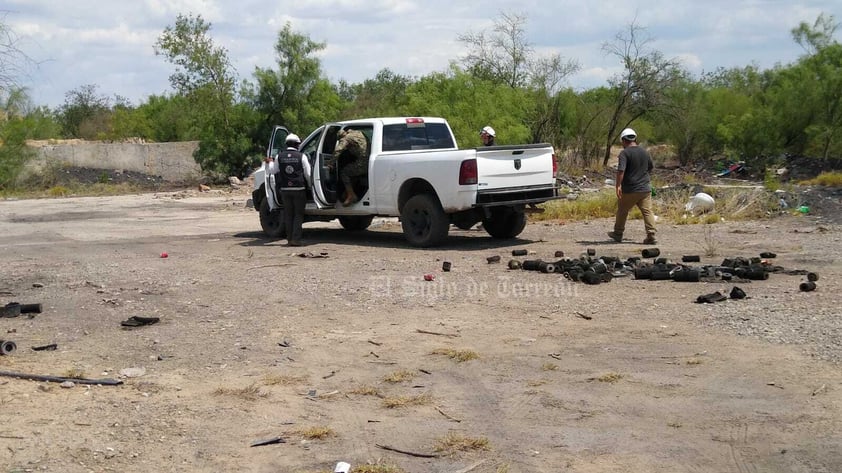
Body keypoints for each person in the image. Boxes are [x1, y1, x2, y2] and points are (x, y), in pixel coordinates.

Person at [607, 128, 657, 244]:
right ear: (635, 139)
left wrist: (618, 186)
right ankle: (651, 234)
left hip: (630, 189)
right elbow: (650, 168)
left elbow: (621, 171)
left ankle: (618, 234)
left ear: (624, 140)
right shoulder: (645, 152)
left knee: (622, 211)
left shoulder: (624, 153)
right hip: (645, 188)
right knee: (647, 211)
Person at [277, 133, 311, 246]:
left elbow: (272, 171)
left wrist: (268, 163)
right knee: (298, 214)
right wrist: (310, 186)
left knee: (288, 214)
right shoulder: (302, 156)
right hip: (299, 189)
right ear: (297, 144)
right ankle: (296, 239)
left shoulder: (279, 156)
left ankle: (289, 238)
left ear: (286, 144)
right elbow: (308, 173)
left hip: (285, 190)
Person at [331, 128, 369, 206]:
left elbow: (338, 150)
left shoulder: (346, 138)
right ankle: (348, 192)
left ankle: (351, 195)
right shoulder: (358, 133)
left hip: (363, 163)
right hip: (369, 161)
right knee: (352, 173)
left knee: (344, 173)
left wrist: (330, 163)